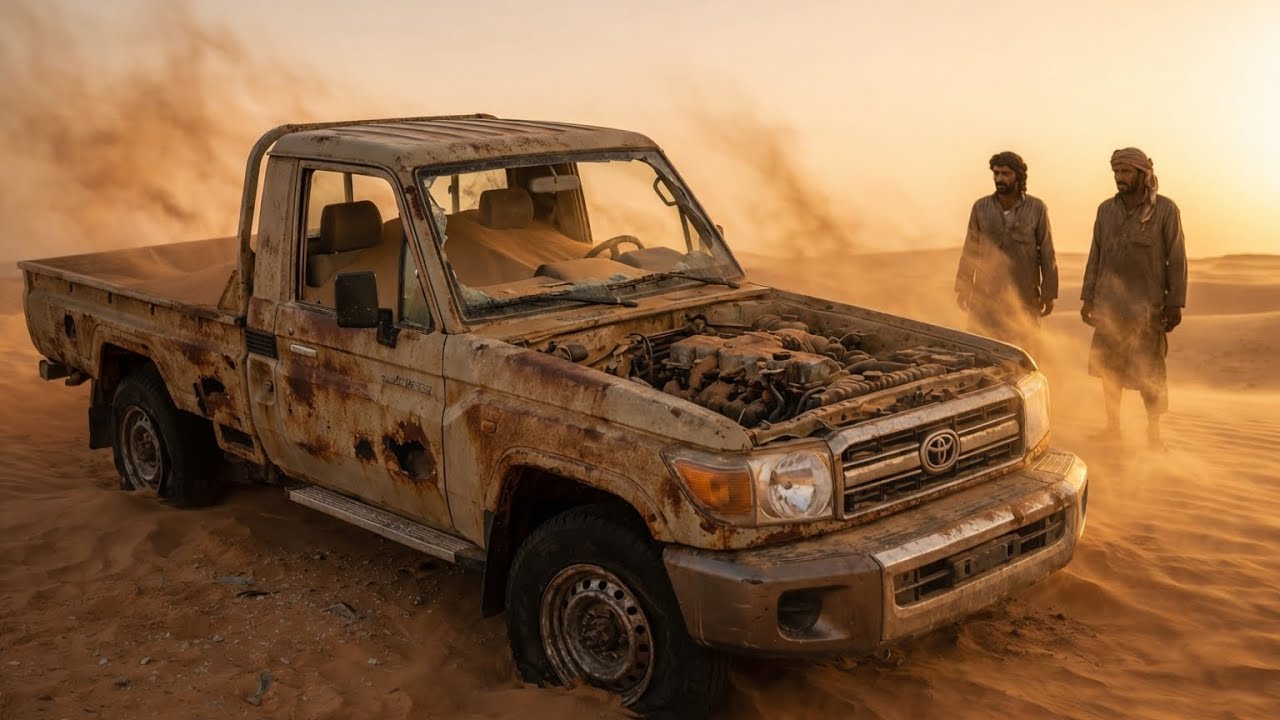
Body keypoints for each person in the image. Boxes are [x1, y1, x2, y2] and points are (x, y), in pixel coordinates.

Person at [1080, 147, 1188, 450]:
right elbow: (1095, 254)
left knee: (1150, 373)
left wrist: (1175, 301)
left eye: (1126, 172)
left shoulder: (1165, 210)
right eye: (1116, 172)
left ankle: (1154, 434)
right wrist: (1088, 297)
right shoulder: (1105, 210)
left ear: (1143, 174)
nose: (1119, 177)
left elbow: (1176, 258)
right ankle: (1112, 427)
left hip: (1147, 309)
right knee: (1109, 370)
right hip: (1110, 306)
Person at [954, 151, 1058, 352]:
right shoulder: (980, 207)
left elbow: (1047, 251)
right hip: (985, 296)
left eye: (1005, 174)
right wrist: (963, 287)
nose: (999, 179)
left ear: (1018, 176)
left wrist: (1049, 292)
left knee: (1025, 351)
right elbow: (970, 250)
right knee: (980, 350)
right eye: (996, 173)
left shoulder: (1036, 208)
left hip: (1023, 295)